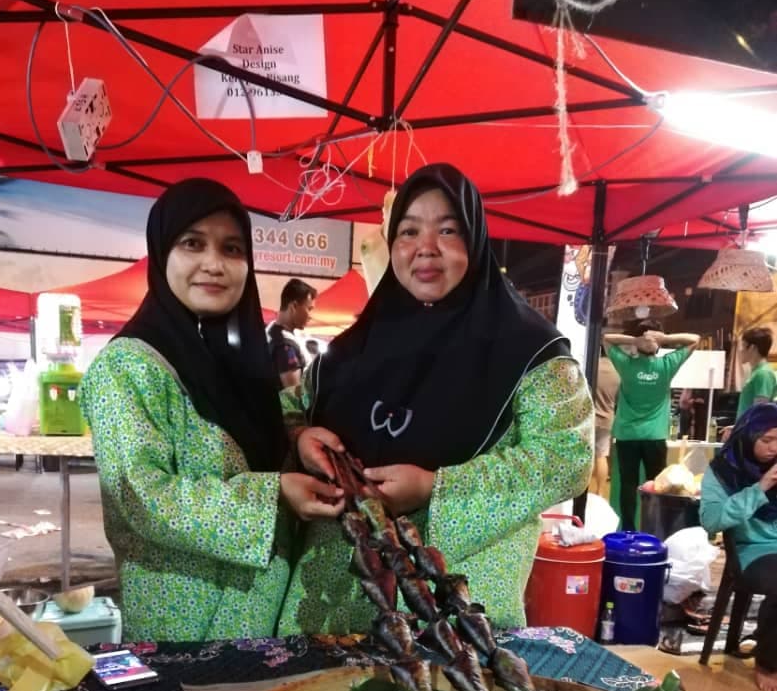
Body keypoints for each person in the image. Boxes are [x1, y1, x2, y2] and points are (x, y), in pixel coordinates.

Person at [276, 163, 593, 635]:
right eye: (408, 231)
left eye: (448, 230)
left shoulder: (530, 351)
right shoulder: (352, 348)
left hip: (450, 605)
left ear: (476, 242)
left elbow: (567, 458)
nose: (425, 247)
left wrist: (435, 487)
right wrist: (302, 435)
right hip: (332, 605)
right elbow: (291, 408)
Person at [80, 179, 342, 642]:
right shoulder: (127, 368)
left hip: (266, 615)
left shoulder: (238, 359)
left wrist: (296, 437)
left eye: (232, 248)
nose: (214, 265)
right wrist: (274, 495)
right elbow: (143, 498)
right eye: (192, 244)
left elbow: (247, 436)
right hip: (187, 628)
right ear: (162, 253)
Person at [700, 404, 777, 691]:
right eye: (766, 440)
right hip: (752, 550)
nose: (774, 448)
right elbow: (711, 520)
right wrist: (760, 488)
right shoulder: (723, 471)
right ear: (747, 436)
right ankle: (768, 663)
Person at [603, 322, 699, 530]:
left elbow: (607, 339)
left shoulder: (626, 365)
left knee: (628, 486)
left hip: (627, 435)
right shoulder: (667, 365)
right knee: (656, 485)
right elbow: (695, 340)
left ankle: (628, 530)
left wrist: (637, 340)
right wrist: (663, 339)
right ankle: (653, 529)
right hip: (655, 436)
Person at [267, 278, 317, 388]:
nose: (310, 316)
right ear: (294, 306)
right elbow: (293, 400)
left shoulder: (272, 331)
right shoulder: (285, 346)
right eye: (309, 309)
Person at [589, 350, 619, 498]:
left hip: (588, 418)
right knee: (601, 456)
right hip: (607, 418)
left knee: (585, 456)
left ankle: (583, 492)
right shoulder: (618, 371)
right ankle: (600, 491)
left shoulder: (592, 365)